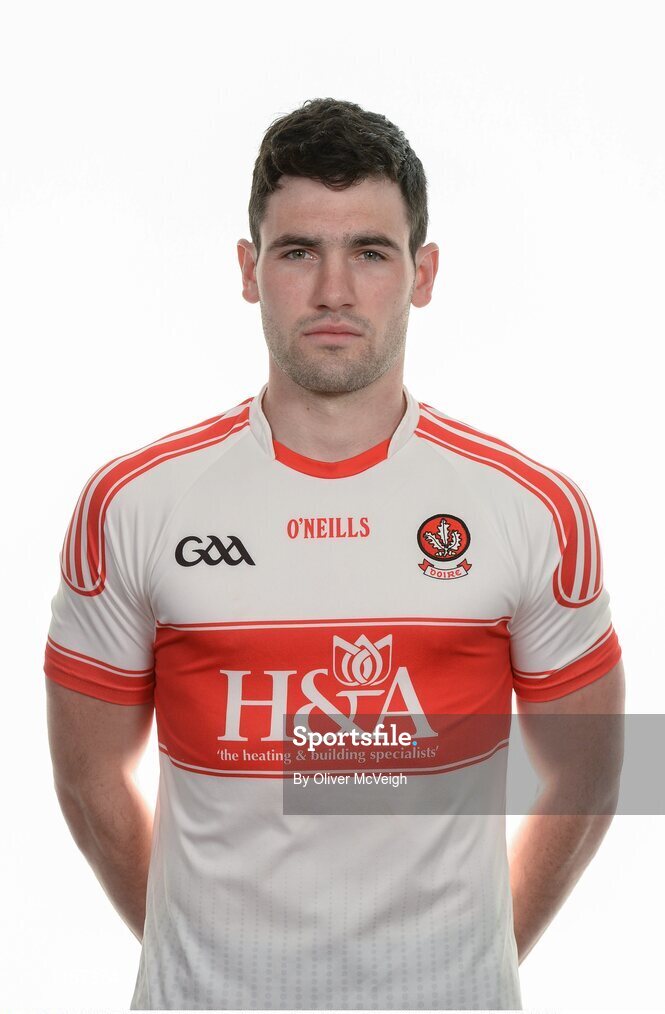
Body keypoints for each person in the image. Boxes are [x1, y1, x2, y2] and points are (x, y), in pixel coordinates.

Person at [44, 97, 625, 1011]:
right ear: (249, 270)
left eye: (369, 251)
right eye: (297, 251)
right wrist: (202, 959)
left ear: (421, 273)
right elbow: (88, 782)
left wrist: (474, 958)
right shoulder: (134, 505)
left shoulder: (530, 509)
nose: (333, 292)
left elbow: (586, 768)